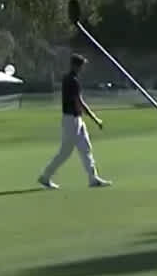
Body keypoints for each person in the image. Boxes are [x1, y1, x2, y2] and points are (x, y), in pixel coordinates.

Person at [38, 53, 111, 189]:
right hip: (71, 120)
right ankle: (45, 177)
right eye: (81, 65)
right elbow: (79, 102)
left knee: (86, 148)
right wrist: (95, 119)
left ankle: (93, 179)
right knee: (65, 152)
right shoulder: (72, 81)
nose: (82, 68)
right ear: (75, 65)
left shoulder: (70, 79)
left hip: (76, 119)